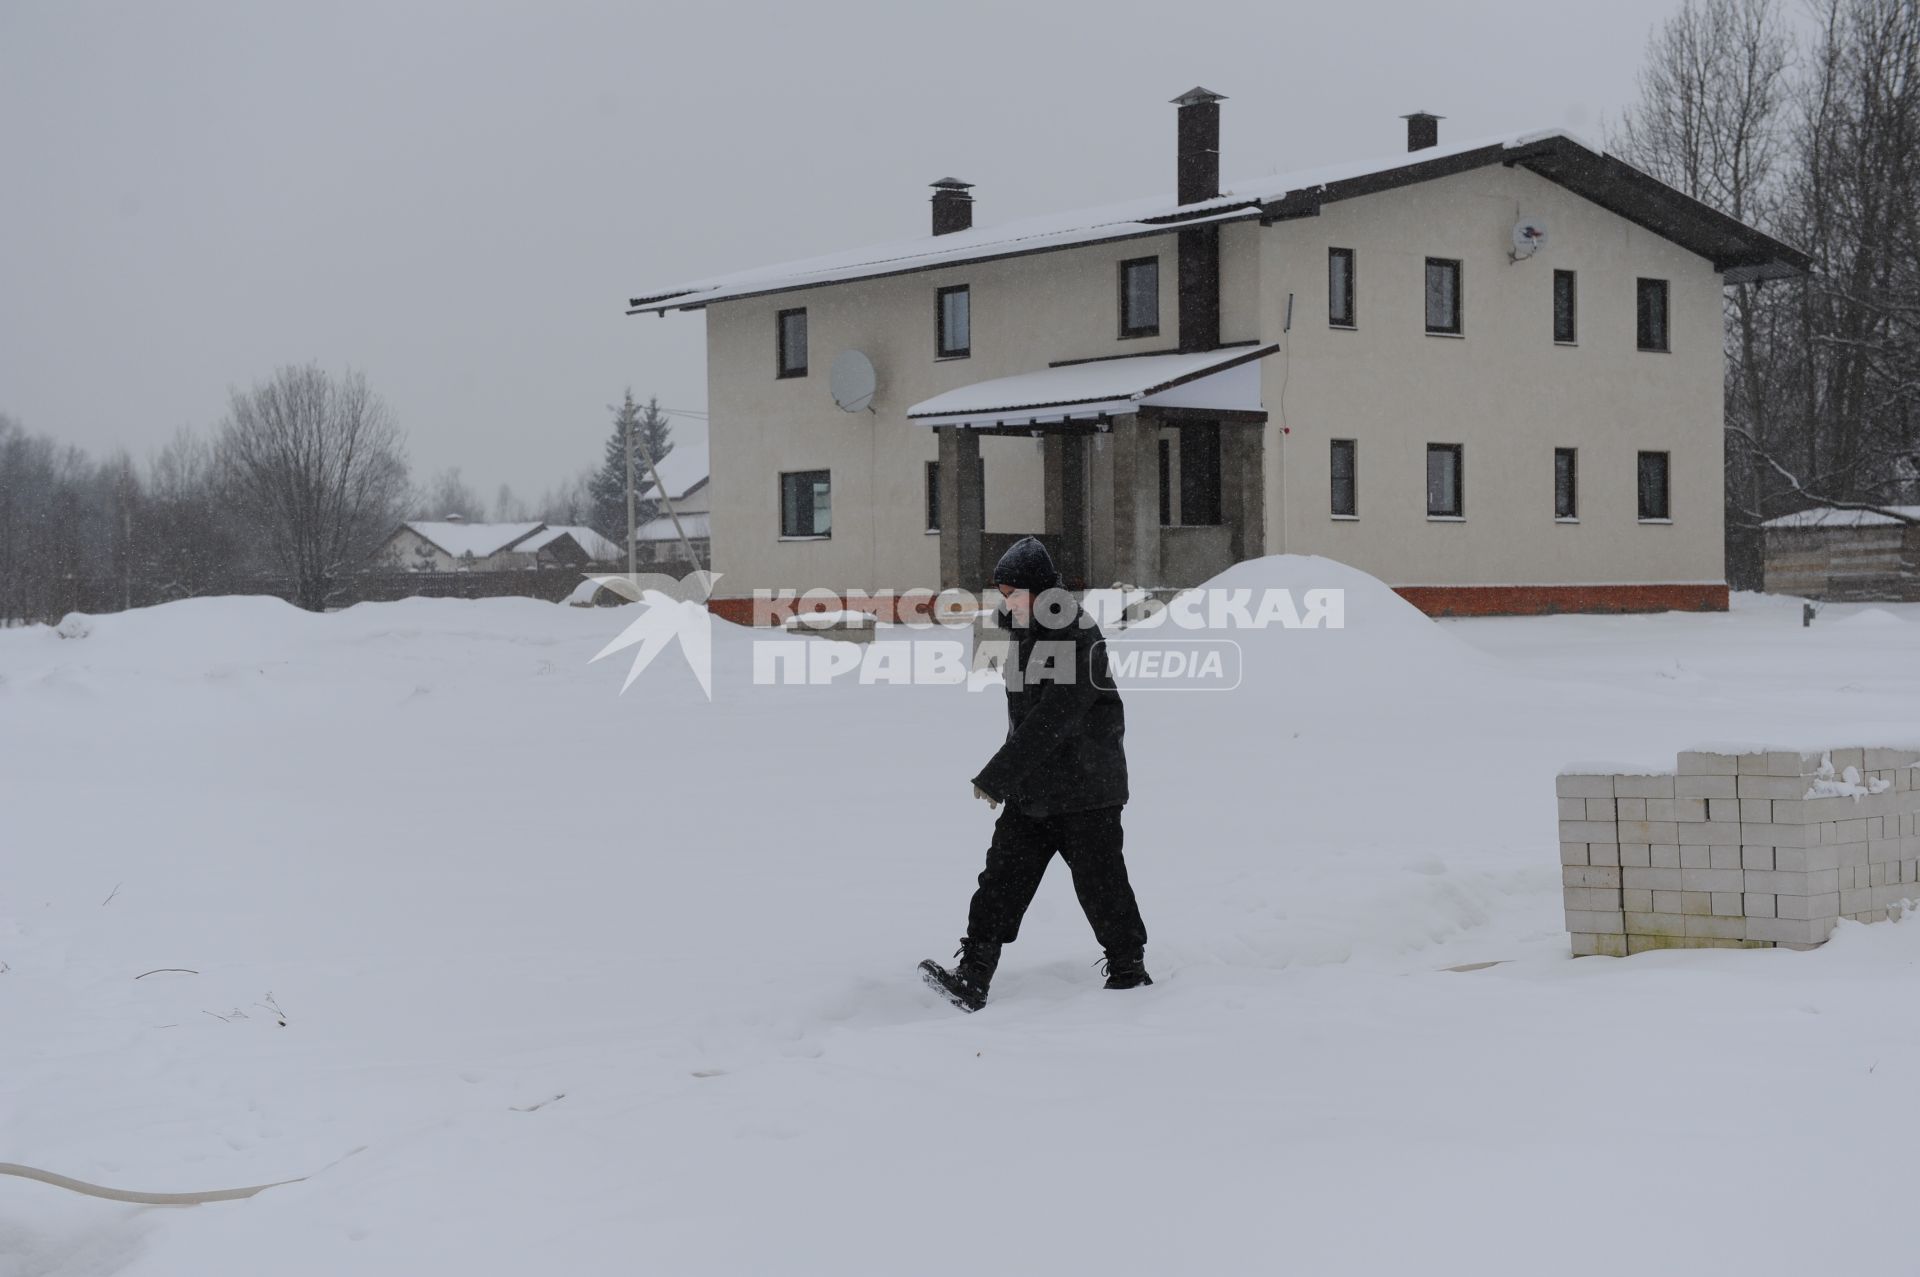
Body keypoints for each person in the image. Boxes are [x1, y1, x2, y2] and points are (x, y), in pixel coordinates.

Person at [919, 536, 1151, 1012]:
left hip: (1088, 788)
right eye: (1002, 594)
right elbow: (1025, 720)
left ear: (1038, 590)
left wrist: (998, 776)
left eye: (1012, 593)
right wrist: (1013, 779)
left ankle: (1129, 970)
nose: (1006, 602)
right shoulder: (1026, 634)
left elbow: (1053, 719)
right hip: (1036, 789)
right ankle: (974, 974)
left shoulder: (1078, 634)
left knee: (1101, 884)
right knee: (1001, 879)